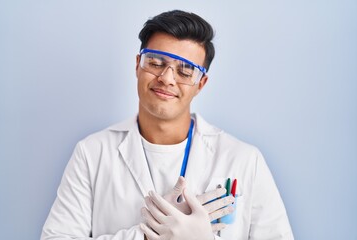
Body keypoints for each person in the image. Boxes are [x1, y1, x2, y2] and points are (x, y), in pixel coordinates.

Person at [41, 10, 294, 240]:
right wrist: (147, 235)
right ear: (137, 65)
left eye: (185, 71)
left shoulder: (244, 160)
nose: (166, 78)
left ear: (201, 83)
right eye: (156, 63)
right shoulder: (92, 153)